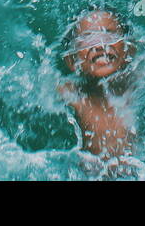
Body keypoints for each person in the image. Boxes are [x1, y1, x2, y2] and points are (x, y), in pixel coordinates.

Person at [58, 9, 137, 176]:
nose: (100, 44)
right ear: (72, 60)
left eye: (110, 34)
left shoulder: (141, 83)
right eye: (87, 38)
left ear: (129, 50)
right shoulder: (74, 96)